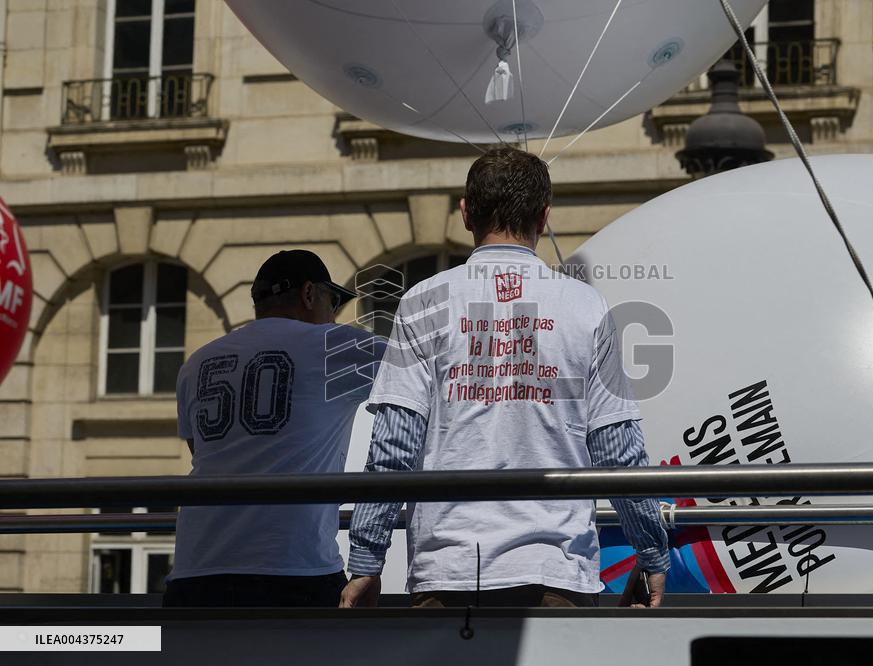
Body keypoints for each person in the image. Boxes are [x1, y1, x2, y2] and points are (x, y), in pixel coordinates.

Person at [341, 148, 670, 609]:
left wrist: (367, 560)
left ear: (465, 213)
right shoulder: (584, 305)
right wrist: (652, 550)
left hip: (447, 568)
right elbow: (617, 447)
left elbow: (394, 447)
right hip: (556, 568)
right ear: (544, 216)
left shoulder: (422, 301)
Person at [164, 250, 385, 607]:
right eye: (334, 303)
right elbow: (424, 375)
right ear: (310, 294)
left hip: (195, 573)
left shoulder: (196, 364)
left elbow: (202, 453)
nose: (335, 316)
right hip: (292, 570)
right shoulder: (333, 346)